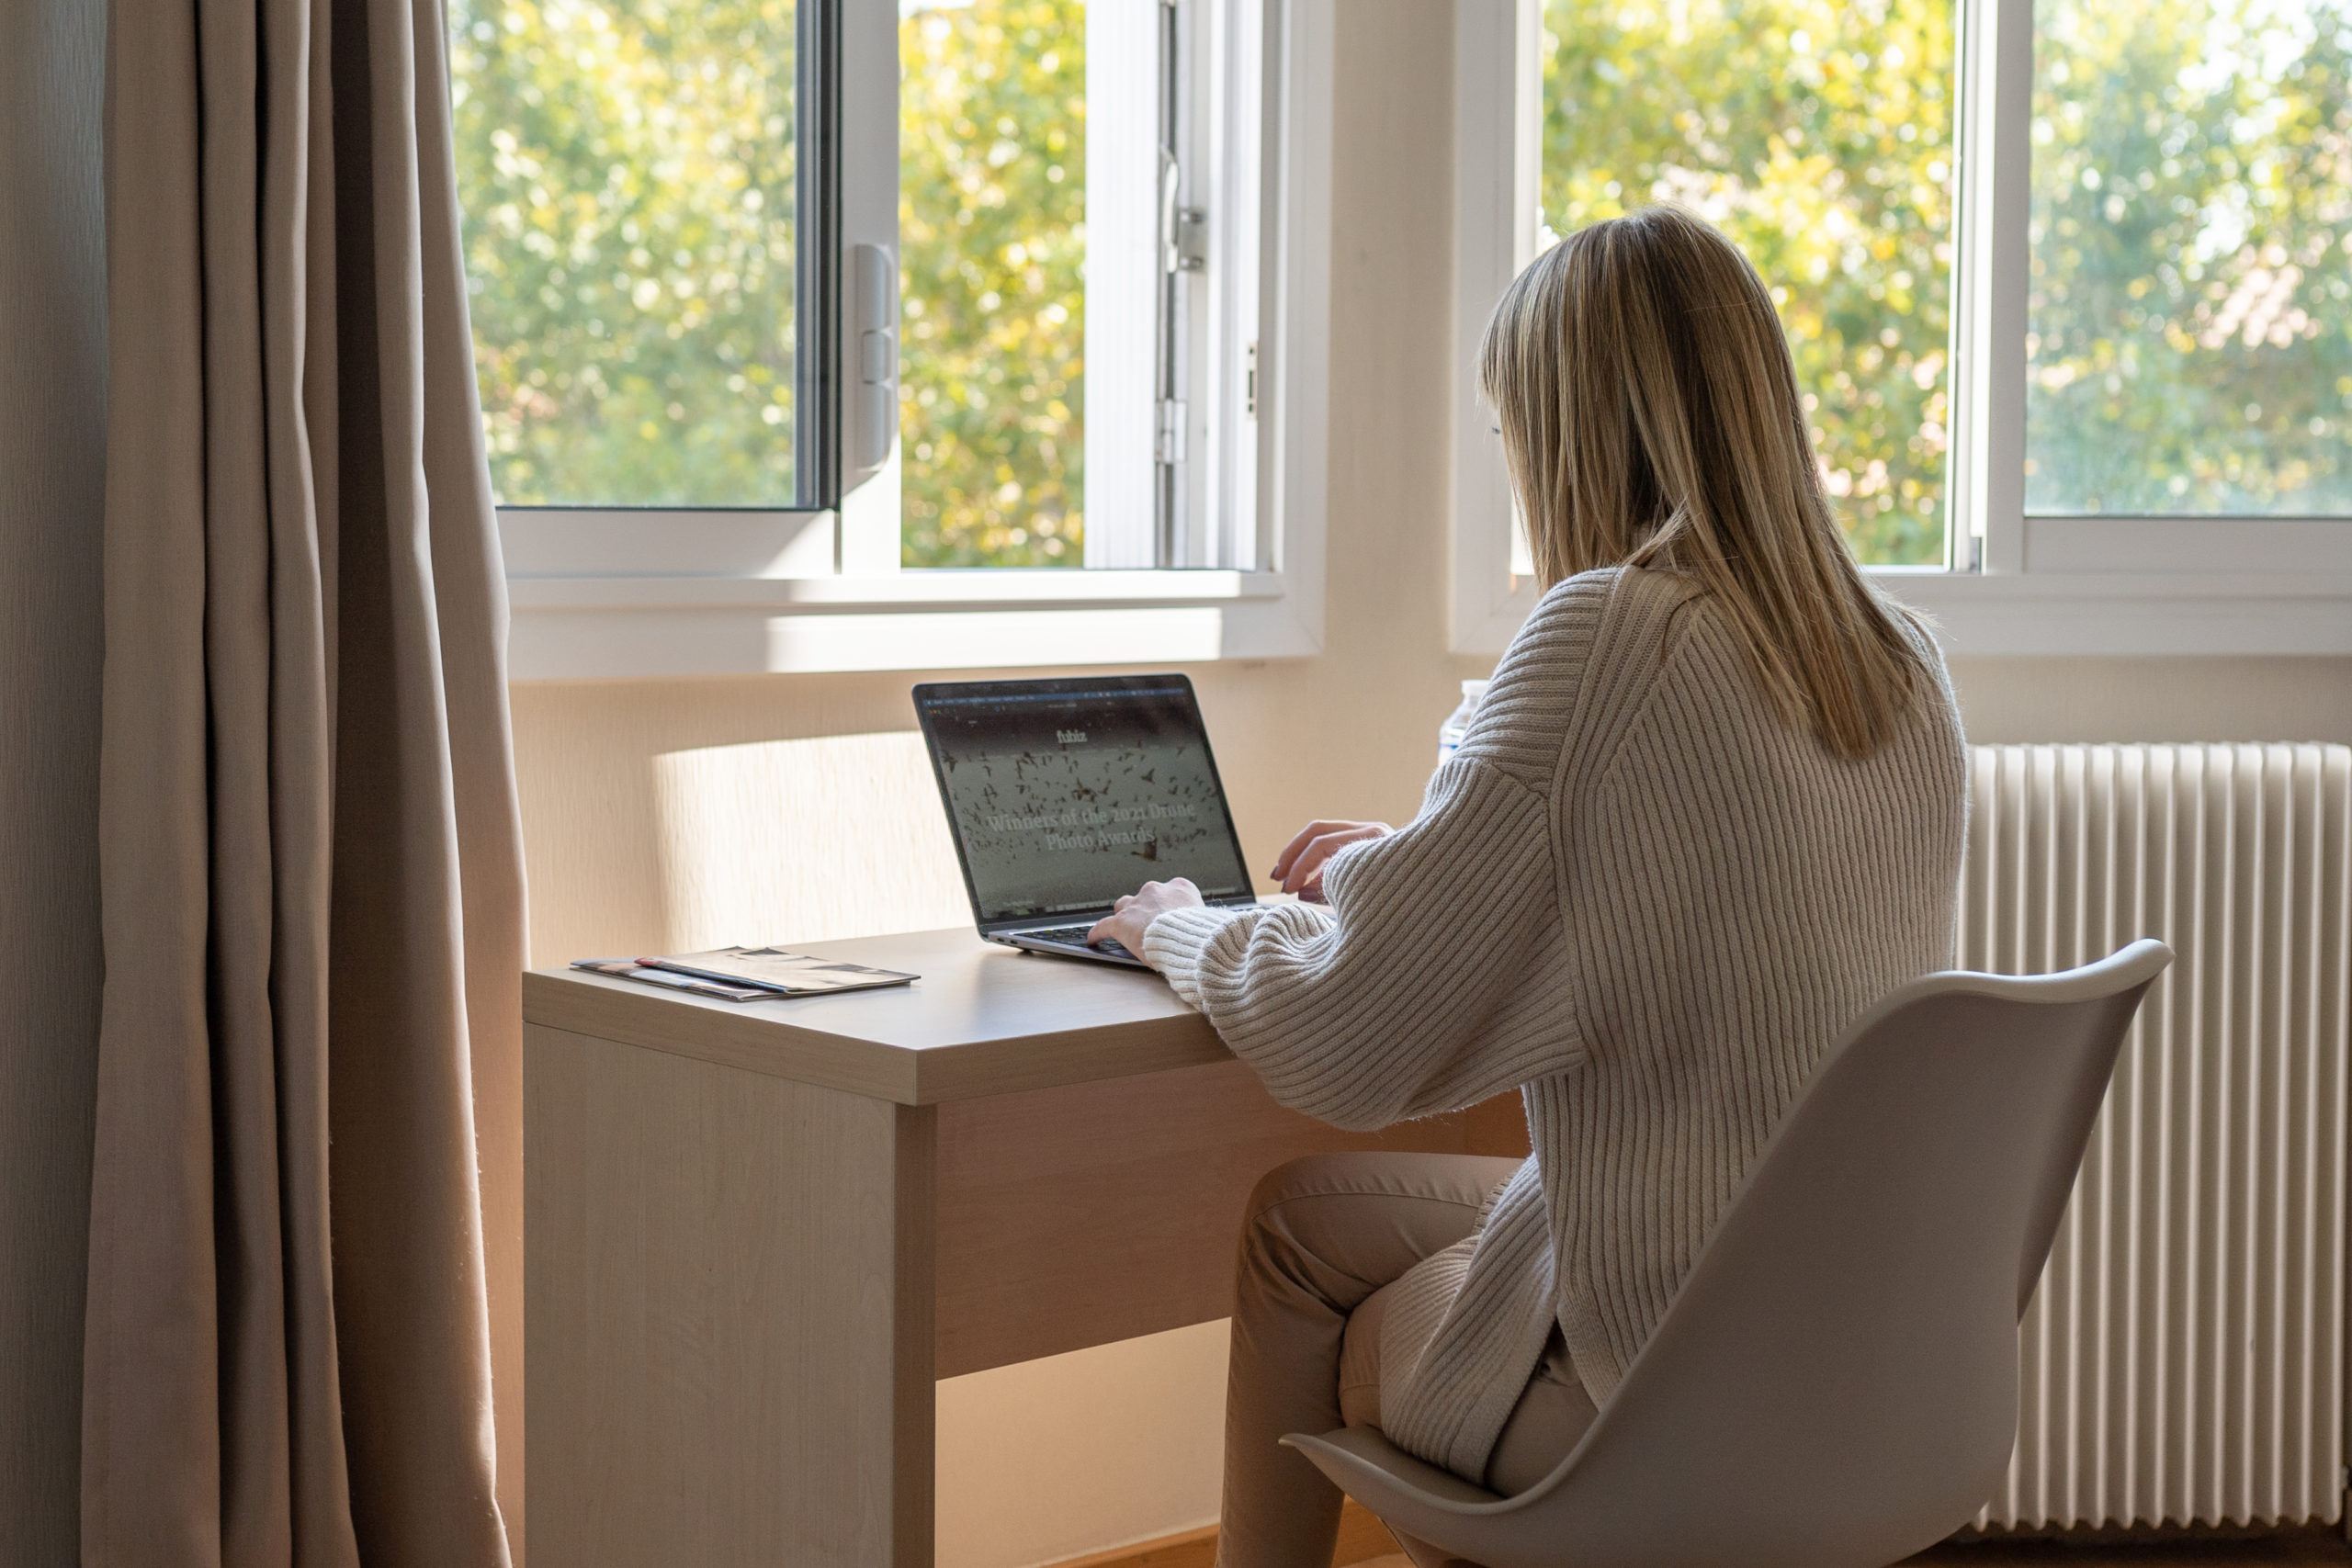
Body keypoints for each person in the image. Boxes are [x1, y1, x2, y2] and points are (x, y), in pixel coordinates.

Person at [1087, 206, 1967, 1568]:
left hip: (1674, 1381)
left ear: (1563, 432)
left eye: (1511, 433)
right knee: (1306, 1223)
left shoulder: (1608, 629)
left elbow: (1350, 1040)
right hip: (1861, 1357)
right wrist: (1405, 866)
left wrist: (1184, 930)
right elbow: (1703, 890)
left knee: (1317, 1266)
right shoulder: (1896, 650)